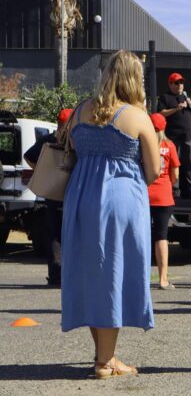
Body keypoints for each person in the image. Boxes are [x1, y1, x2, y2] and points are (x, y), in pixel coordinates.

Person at [61, 49, 160, 378]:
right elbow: (154, 170)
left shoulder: (79, 111)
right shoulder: (136, 116)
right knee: (114, 274)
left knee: (91, 274)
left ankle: (104, 355)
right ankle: (106, 361)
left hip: (80, 196)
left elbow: (71, 149)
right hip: (121, 199)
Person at [24, 107, 74, 287]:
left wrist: (41, 169)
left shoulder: (48, 140)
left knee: (54, 234)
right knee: (72, 234)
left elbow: (28, 156)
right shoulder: (75, 141)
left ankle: (55, 275)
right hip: (72, 192)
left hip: (53, 192)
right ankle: (70, 275)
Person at [147, 113, 180, 290]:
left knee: (142, 236)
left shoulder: (143, 145)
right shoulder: (169, 146)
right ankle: (163, 278)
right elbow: (175, 175)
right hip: (164, 195)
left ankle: (141, 278)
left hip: (144, 194)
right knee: (161, 237)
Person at [157, 72, 191, 199]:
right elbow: (160, 113)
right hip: (172, 136)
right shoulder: (165, 97)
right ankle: (174, 192)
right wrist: (176, 109)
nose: (180, 85)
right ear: (170, 84)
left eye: (181, 82)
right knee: (173, 164)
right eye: (176, 83)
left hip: (187, 136)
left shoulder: (186, 97)